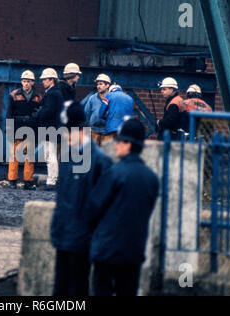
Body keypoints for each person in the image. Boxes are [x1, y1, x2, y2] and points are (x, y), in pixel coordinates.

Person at [85, 118, 159, 296]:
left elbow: (93, 208)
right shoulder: (151, 178)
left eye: (119, 141)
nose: (115, 145)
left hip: (107, 249)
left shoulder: (113, 173)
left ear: (127, 145)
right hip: (134, 250)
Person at [51, 101, 114, 296]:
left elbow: (101, 205)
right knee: (60, 290)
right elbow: (62, 197)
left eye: (68, 132)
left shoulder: (100, 162)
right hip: (63, 238)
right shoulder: (67, 157)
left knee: (78, 289)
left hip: (83, 242)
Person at [6, 70, 41, 190]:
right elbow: (9, 113)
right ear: (21, 82)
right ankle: (12, 181)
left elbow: (39, 115)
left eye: (29, 81)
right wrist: (9, 129)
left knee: (30, 156)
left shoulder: (38, 97)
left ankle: (28, 181)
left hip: (31, 128)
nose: (26, 83)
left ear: (32, 83)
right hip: (16, 127)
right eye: (24, 81)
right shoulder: (13, 95)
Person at [37, 68, 64, 190]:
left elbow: (48, 111)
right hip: (53, 128)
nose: (43, 82)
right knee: (50, 155)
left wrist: (38, 114)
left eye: (45, 79)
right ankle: (52, 180)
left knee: (50, 156)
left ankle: (52, 181)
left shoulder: (53, 94)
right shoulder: (55, 92)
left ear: (51, 80)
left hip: (51, 128)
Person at [84, 74, 112, 146]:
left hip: (106, 132)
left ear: (107, 85)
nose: (98, 86)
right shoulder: (92, 98)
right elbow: (86, 113)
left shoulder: (112, 99)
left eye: (101, 84)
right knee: (93, 154)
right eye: (97, 84)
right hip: (93, 131)